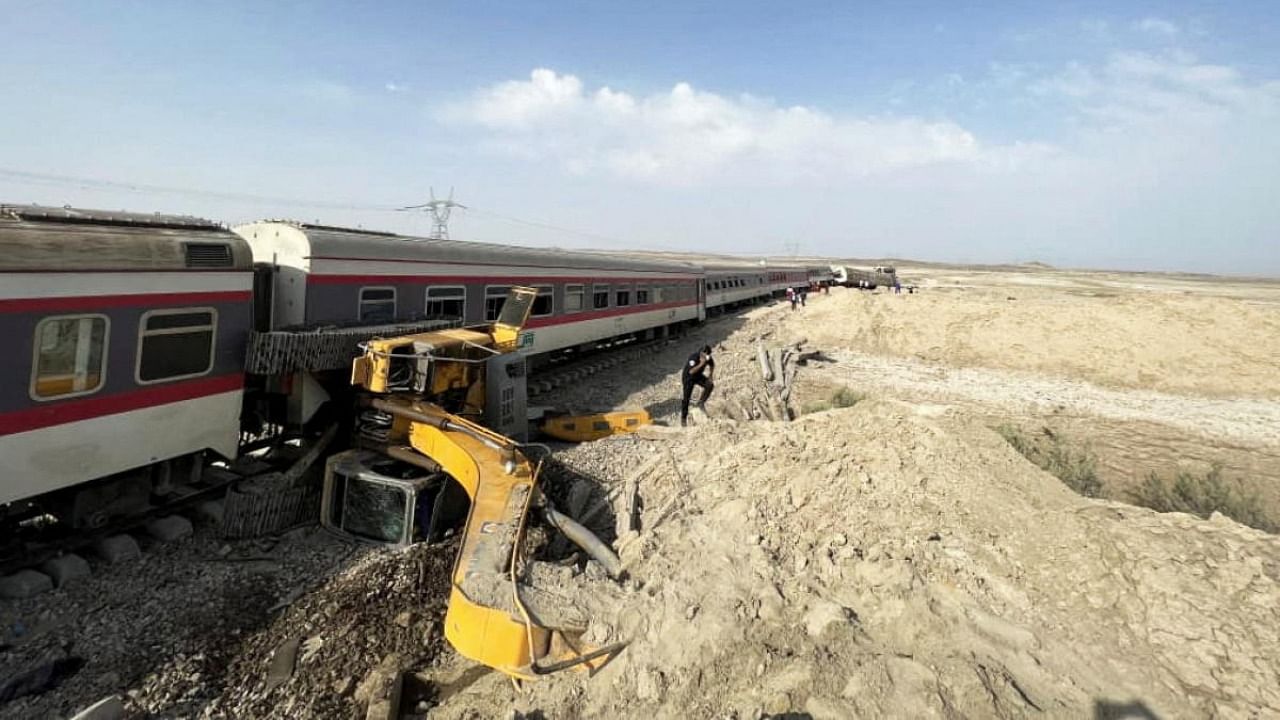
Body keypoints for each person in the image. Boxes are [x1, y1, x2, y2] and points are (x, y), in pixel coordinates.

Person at [680, 344, 715, 427]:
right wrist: (701, 363)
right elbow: (691, 371)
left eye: (708, 355)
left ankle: (701, 402)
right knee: (686, 398)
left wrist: (710, 375)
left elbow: (712, 365)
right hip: (688, 377)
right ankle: (683, 419)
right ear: (701, 353)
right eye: (705, 354)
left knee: (709, 385)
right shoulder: (694, 357)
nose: (706, 356)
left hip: (698, 376)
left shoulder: (708, 358)